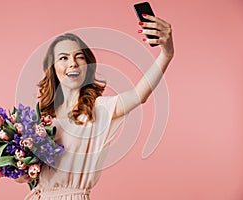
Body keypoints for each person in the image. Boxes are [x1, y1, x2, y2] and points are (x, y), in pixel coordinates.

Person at [17, 14, 174, 200]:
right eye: (63, 58)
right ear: (52, 68)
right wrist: (22, 172)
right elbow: (31, 174)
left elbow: (139, 95)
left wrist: (166, 53)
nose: (73, 63)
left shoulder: (97, 110)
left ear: (88, 65)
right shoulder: (42, 117)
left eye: (79, 57)